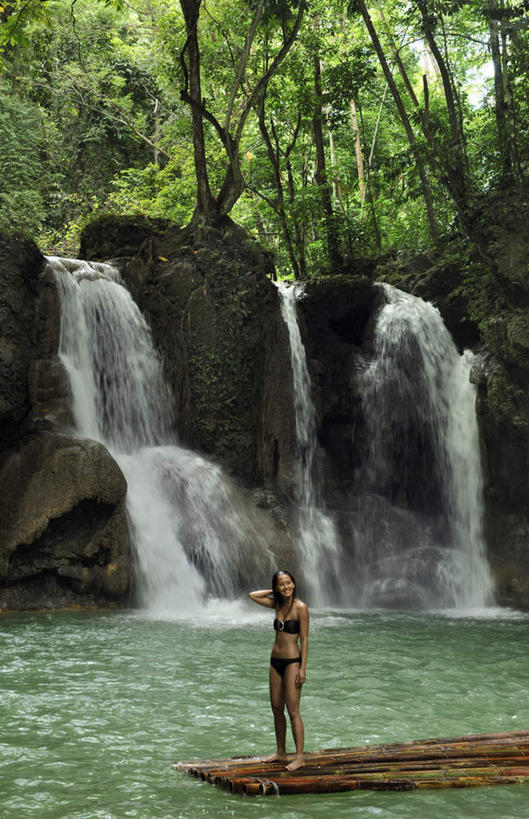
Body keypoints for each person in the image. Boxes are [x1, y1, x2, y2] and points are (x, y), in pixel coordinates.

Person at [249, 570, 309, 771]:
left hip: (292, 661)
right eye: (282, 584)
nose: (286, 587)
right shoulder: (277, 604)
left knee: (293, 710)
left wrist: (303, 668)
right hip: (275, 661)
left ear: (294, 583)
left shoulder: (301, 608)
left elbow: (305, 639)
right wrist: (274, 590)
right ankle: (281, 752)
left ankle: (299, 757)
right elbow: (252, 596)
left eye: (289, 583)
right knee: (276, 708)